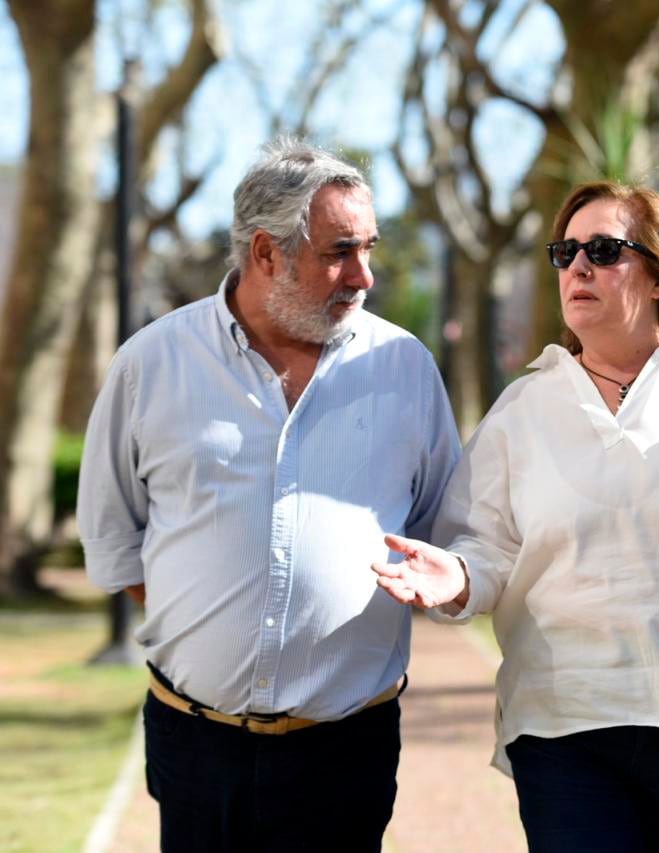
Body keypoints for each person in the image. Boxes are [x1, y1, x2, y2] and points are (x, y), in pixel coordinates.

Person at [373, 180, 659, 852]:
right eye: (564, 252)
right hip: (563, 728)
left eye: (602, 249)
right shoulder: (523, 409)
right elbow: (484, 552)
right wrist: (452, 576)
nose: (578, 268)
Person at [77, 138, 460, 852]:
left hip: (349, 747)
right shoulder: (150, 364)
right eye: (340, 252)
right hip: (195, 744)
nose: (365, 275)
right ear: (265, 253)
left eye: (369, 248)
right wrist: (213, 620)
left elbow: (448, 528)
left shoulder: (406, 367)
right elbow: (114, 538)